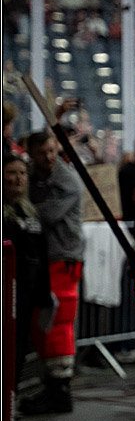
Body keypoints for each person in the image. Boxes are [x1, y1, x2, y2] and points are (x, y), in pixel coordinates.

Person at [23, 131, 84, 415]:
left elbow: (45, 215)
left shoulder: (66, 179)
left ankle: (59, 390)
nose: (48, 157)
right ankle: (53, 387)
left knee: (58, 323)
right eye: (42, 152)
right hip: (49, 259)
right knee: (45, 324)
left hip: (63, 259)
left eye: (51, 151)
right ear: (32, 153)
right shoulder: (37, 177)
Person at [3, 154, 54, 401]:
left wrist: (44, 296)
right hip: (6, 296)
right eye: (11, 173)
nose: (17, 179)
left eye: (22, 173)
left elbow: (42, 256)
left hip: (26, 297)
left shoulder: (31, 213)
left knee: (18, 353)